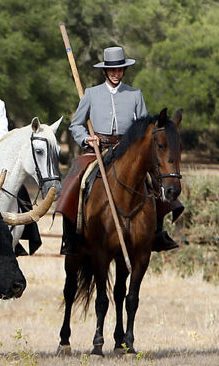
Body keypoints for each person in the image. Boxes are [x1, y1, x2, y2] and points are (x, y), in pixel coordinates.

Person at [60, 46, 181, 254]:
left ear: (124, 71)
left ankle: (158, 233)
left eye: (120, 70)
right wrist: (87, 139)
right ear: (105, 71)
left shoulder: (135, 94)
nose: (116, 74)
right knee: (76, 181)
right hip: (97, 149)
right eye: (112, 70)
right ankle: (71, 236)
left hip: (128, 151)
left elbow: (145, 126)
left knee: (155, 181)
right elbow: (75, 125)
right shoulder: (91, 94)